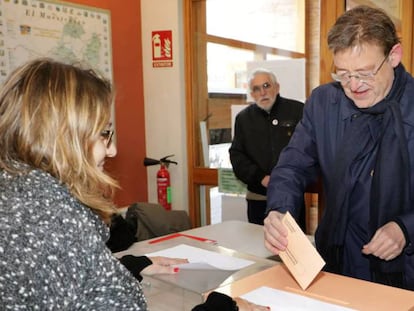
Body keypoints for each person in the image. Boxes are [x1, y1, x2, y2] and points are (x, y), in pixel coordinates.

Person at [0, 58, 269, 310]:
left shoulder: (19, 198)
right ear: (64, 137)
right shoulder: (56, 221)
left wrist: (129, 265)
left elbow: (61, 282)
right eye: (104, 134)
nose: (113, 149)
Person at [264, 5, 414, 291]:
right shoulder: (324, 103)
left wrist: (405, 228)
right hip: (336, 263)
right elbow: (293, 164)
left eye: (365, 73)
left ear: (394, 56)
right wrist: (279, 210)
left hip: (404, 274)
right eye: (342, 74)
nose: (354, 85)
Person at [229, 68, 304, 225]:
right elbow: (237, 156)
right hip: (258, 199)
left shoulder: (297, 111)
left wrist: (287, 178)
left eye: (266, 86)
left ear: (276, 87)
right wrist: (261, 178)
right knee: (257, 246)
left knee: (292, 246)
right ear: (252, 93)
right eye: (256, 89)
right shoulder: (243, 119)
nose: (262, 92)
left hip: (290, 196)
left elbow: (307, 149)